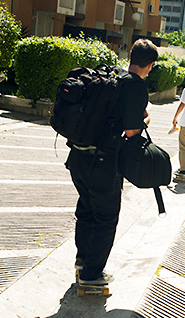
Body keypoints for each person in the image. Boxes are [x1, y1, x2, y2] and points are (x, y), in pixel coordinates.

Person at [66, 39, 158, 287]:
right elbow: (131, 132)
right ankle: (91, 275)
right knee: (105, 218)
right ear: (150, 65)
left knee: (86, 210)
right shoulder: (136, 87)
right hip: (102, 163)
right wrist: (144, 121)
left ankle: (82, 261)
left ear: (130, 57)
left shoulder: (112, 77)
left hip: (77, 157)